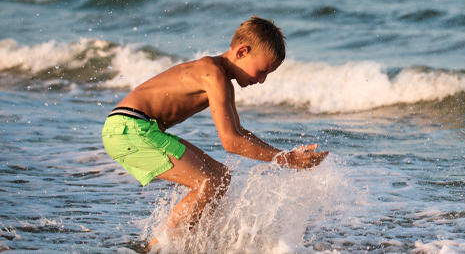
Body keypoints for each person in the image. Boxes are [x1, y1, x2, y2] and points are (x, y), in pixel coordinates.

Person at [100, 16, 329, 247]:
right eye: (261, 71)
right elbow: (231, 142)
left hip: (138, 127)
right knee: (206, 183)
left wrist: (285, 154)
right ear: (242, 52)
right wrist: (287, 159)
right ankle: (155, 250)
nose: (262, 80)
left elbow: (240, 132)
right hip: (128, 128)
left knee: (220, 177)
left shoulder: (222, 80)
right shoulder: (213, 74)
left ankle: (191, 244)